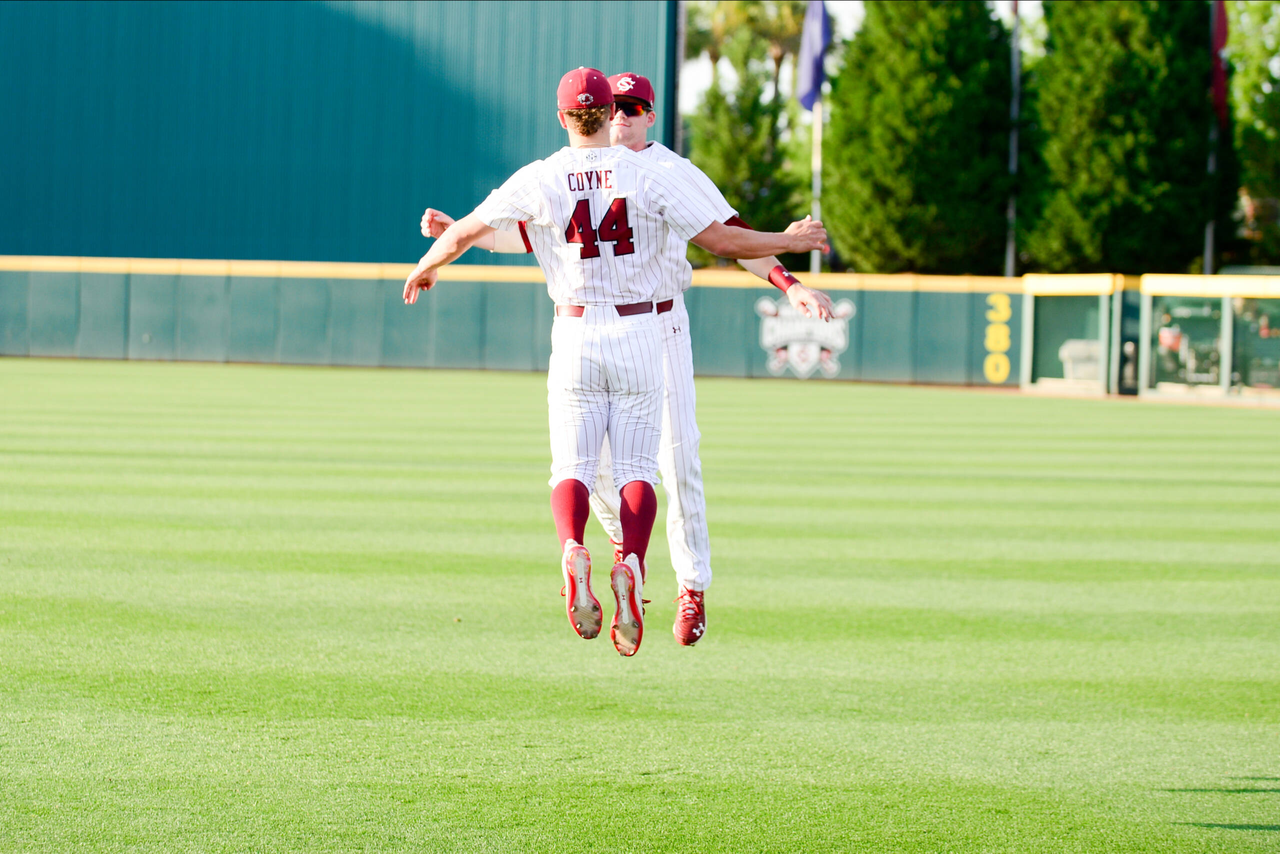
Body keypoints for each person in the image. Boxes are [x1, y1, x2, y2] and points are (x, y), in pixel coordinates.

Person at [403, 67, 828, 657]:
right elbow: (723, 241)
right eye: (617, 108)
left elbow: (726, 233)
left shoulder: (578, 173)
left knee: (633, 461)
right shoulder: (636, 176)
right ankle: (629, 559)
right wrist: (788, 240)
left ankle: (654, 575)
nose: (625, 116)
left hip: (607, 324)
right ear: (605, 116)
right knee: (629, 470)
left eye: (635, 108)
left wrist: (434, 258)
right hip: (634, 329)